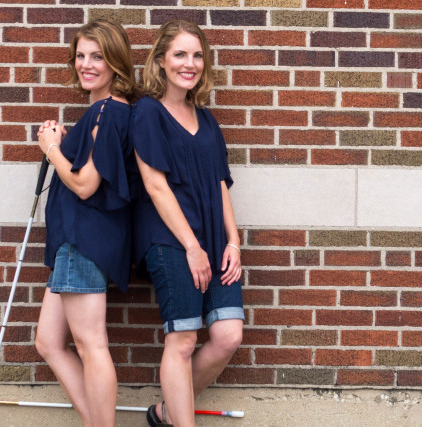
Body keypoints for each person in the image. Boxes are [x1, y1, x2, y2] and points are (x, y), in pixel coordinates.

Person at [129, 19, 243, 427]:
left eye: (197, 55)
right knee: (183, 340)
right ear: (160, 61)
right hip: (172, 241)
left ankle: (165, 413)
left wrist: (233, 241)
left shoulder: (207, 119)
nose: (189, 64)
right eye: (180, 54)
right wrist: (192, 247)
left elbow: (220, 184)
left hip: (214, 240)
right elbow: (155, 187)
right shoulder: (146, 113)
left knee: (228, 336)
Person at [32, 19, 136, 427]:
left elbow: (85, 184)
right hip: (74, 243)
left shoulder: (108, 112)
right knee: (48, 342)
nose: (87, 64)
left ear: (116, 62)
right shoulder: (104, 112)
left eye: (98, 56)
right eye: (81, 55)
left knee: (91, 344)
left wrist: (52, 147)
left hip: (83, 240)